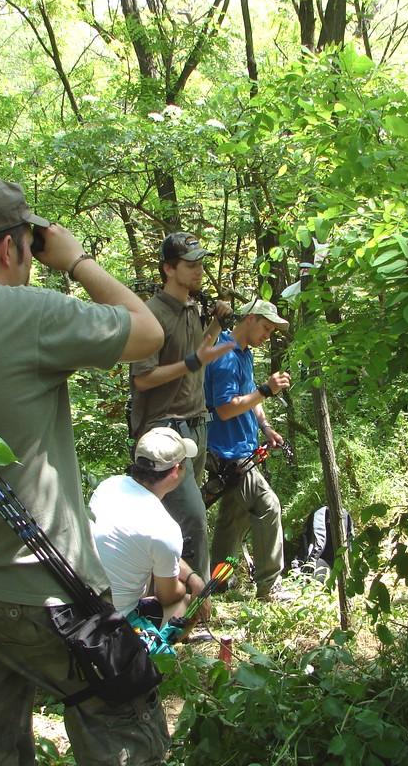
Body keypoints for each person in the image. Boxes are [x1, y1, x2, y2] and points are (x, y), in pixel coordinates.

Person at [0, 180, 167, 766]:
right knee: (121, 718)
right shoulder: (29, 313)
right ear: (10, 248)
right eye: (28, 243)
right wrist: (77, 261)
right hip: (44, 594)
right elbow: (149, 333)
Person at [128, 232, 233, 582]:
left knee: (174, 520)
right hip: (164, 430)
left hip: (196, 425)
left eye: (200, 263)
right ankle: (197, 603)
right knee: (193, 520)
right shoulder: (151, 314)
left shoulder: (192, 308)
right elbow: (143, 379)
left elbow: (199, 353)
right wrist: (191, 362)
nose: (199, 270)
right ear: (169, 269)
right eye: (190, 264)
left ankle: (165, 596)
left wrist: (216, 322)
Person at [204, 297, 294, 602]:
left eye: (271, 331)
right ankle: (269, 586)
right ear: (251, 318)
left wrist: (265, 427)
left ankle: (217, 582)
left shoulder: (244, 354)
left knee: (235, 516)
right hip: (228, 453)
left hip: (244, 448)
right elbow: (226, 408)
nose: (267, 335)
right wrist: (267, 390)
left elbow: (249, 397)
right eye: (266, 328)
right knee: (268, 506)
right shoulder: (225, 355)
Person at [90, 426, 211, 627]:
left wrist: (193, 577)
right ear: (176, 471)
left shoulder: (109, 486)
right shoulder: (165, 528)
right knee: (186, 604)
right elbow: (167, 597)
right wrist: (185, 586)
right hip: (115, 621)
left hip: (83, 603)